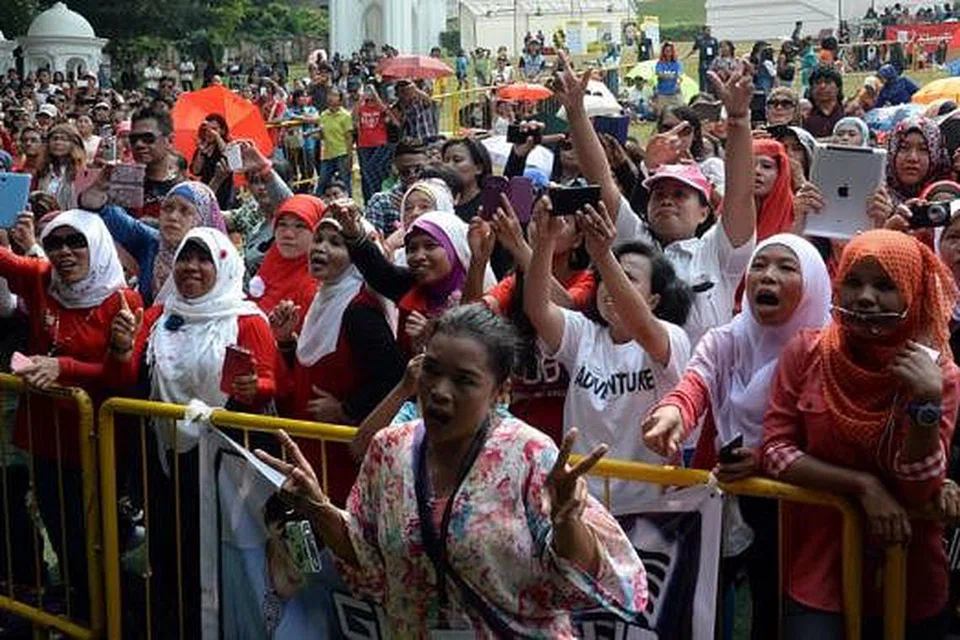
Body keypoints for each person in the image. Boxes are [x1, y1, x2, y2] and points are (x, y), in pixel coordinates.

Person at [255, 304, 648, 636]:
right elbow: (368, 558)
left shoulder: (530, 455)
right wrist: (319, 507)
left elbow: (590, 578)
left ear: (500, 392)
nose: (440, 391)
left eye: (464, 381)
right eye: (432, 370)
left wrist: (567, 522)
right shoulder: (389, 451)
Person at [762, 230, 959, 638]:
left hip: (910, 577)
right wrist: (864, 487)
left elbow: (921, 489)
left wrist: (925, 401)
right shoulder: (806, 352)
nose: (865, 297)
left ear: (913, 292)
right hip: (819, 574)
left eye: (885, 286)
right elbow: (776, 451)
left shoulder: (939, 375)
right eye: (853, 282)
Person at [644, 233, 831, 640]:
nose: (768, 276)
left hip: (798, 506)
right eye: (760, 266)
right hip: (723, 494)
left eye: (786, 267)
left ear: (814, 283)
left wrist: (763, 457)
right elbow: (696, 378)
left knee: (773, 612)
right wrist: (673, 411)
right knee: (700, 607)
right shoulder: (728, 337)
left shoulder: (827, 351)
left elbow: (829, 434)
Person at [108, 227, 276, 637]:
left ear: (222, 264)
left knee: (218, 551)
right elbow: (133, 377)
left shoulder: (247, 320)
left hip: (226, 463)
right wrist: (122, 349)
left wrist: (256, 388)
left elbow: (274, 382)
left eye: (203, 259)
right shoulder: (159, 317)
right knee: (171, 548)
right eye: (185, 258)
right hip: (168, 461)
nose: (191, 268)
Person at [556, 51, 757, 348]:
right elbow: (602, 180)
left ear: (704, 212)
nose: (666, 200)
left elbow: (740, 194)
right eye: (659, 194)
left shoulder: (718, 252)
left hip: (703, 390)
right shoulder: (634, 242)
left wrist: (739, 120)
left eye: (680, 194)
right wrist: (576, 113)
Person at [2, 210, 142, 621]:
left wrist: (65, 368)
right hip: (47, 436)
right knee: (60, 530)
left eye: (75, 242)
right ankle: (81, 608)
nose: (65, 252)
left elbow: (122, 377)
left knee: (93, 537)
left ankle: (109, 615)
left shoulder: (123, 300)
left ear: (96, 245)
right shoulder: (43, 280)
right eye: (55, 242)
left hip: (96, 437)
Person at [525, 200, 692, 514]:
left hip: (649, 509)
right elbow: (537, 308)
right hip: (583, 504)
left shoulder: (672, 337)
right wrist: (544, 242)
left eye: (627, 278)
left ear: (654, 299)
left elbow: (641, 325)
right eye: (603, 279)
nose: (609, 287)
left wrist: (603, 256)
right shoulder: (584, 334)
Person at [273, 215, 404, 503]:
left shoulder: (360, 311)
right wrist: (285, 342)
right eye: (318, 239)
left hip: (345, 458)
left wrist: (347, 410)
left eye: (336, 243)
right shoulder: (324, 299)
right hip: (314, 452)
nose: (320, 249)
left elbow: (393, 376)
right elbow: (311, 367)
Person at [337, 205, 478, 357]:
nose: (418, 256)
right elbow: (381, 273)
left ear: (454, 248)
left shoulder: (482, 293)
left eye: (430, 246)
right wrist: (354, 234)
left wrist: (434, 340)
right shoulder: (411, 287)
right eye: (412, 249)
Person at [83, 179, 226, 305]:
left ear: (203, 218)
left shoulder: (220, 259)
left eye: (184, 211)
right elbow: (102, 212)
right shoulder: (152, 243)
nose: (173, 217)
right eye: (167, 209)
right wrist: (99, 187)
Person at [249, 194, 324, 326]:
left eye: (300, 226)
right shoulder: (271, 261)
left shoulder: (315, 289)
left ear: (318, 233)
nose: (288, 234)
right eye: (282, 224)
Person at [364, 140, 428, 237]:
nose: (413, 175)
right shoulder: (382, 202)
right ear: (396, 170)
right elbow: (373, 247)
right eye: (405, 172)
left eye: (419, 170)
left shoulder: (442, 198)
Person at [886, 116, 949, 205]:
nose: (912, 158)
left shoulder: (949, 200)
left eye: (923, 149)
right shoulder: (875, 198)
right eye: (904, 148)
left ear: (936, 154)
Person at [354, 85, 397, 203]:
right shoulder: (361, 108)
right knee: (365, 173)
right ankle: (368, 199)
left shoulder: (381, 107)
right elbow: (353, 115)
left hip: (379, 143)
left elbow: (390, 117)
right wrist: (361, 98)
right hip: (364, 144)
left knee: (374, 170)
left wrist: (376, 96)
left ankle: (379, 195)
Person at [33, 123, 85, 210]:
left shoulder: (81, 172)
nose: (58, 143)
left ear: (74, 144)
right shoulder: (41, 170)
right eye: (55, 139)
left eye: (64, 139)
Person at [753, 139, 795, 240]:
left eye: (766, 166)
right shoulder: (728, 208)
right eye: (749, 165)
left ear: (781, 173)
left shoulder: (796, 214)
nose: (757, 171)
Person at [189, 113, 234, 210]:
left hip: (224, 192)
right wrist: (201, 152)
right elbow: (196, 171)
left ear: (222, 131)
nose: (209, 132)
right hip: (205, 190)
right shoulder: (203, 146)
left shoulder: (229, 145)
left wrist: (217, 137)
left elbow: (230, 157)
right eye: (206, 130)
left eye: (214, 129)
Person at [317, 88, 354, 196]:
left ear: (340, 99)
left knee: (345, 183)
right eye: (329, 95)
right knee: (322, 182)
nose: (331, 97)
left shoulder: (345, 116)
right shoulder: (323, 115)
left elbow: (349, 138)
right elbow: (322, 135)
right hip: (328, 154)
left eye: (334, 95)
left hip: (342, 153)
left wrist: (349, 156)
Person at [803, 66, 844, 138]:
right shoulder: (804, 114)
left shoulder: (847, 112)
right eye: (817, 83)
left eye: (828, 82)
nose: (822, 86)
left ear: (838, 87)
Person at [687, 26, 719, 91]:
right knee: (703, 78)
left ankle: (712, 91)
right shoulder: (700, 40)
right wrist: (686, 56)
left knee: (711, 78)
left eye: (709, 30)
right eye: (707, 30)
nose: (709, 32)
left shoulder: (714, 40)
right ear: (703, 31)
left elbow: (717, 51)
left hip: (712, 61)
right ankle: (702, 92)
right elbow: (694, 50)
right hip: (703, 61)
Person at [654, 42, 683, 112]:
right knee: (662, 114)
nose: (668, 53)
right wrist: (671, 76)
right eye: (666, 51)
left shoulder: (677, 63)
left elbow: (679, 76)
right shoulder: (660, 63)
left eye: (670, 51)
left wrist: (678, 82)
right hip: (662, 93)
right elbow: (659, 74)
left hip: (674, 93)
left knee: (679, 112)